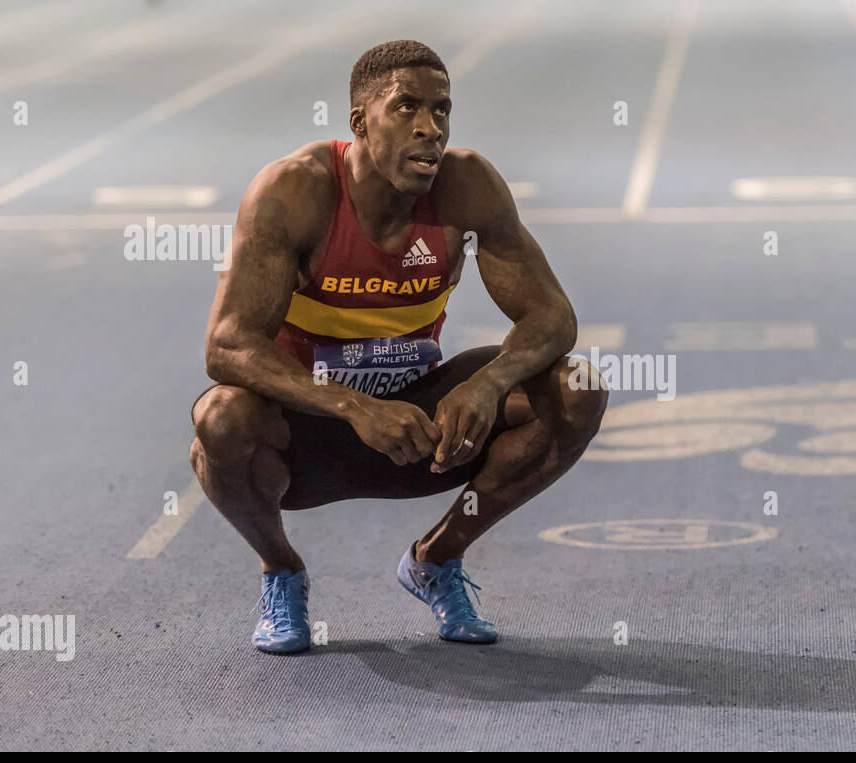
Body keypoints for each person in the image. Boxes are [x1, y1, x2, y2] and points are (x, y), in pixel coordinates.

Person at [189, 40, 607, 654]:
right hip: (305, 432)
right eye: (406, 107)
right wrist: (353, 407)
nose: (428, 128)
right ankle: (280, 570)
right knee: (220, 420)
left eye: (441, 110)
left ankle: (436, 560)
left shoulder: (468, 186)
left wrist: (486, 383)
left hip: (420, 430)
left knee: (577, 389)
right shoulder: (295, 192)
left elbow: (551, 317)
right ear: (360, 120)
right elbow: (226, 345)